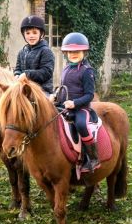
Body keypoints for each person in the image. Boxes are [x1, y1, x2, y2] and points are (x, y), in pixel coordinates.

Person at [57, 32, 98, 172]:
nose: (73, 54)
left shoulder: (87, 71)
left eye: (77, 51)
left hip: (81, 108)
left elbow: (89, 95)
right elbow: (63, 88)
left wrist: (74, 103)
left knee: (81, 124)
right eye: (70, 52)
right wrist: (55, 96)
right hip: (65, 106)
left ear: (84, 52)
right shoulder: (66, 68)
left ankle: (93, 158)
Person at [14, 15, 55, 94]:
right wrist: (17, 74)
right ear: (24, 35)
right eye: (28, 33)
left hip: (42, 90)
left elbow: (46, 72)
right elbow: (18, 69)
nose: (31, 36)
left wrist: (27, 74)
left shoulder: (46, 51)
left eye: (35, 33)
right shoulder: (22, 52)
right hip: (24, 88)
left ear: (41, 34)